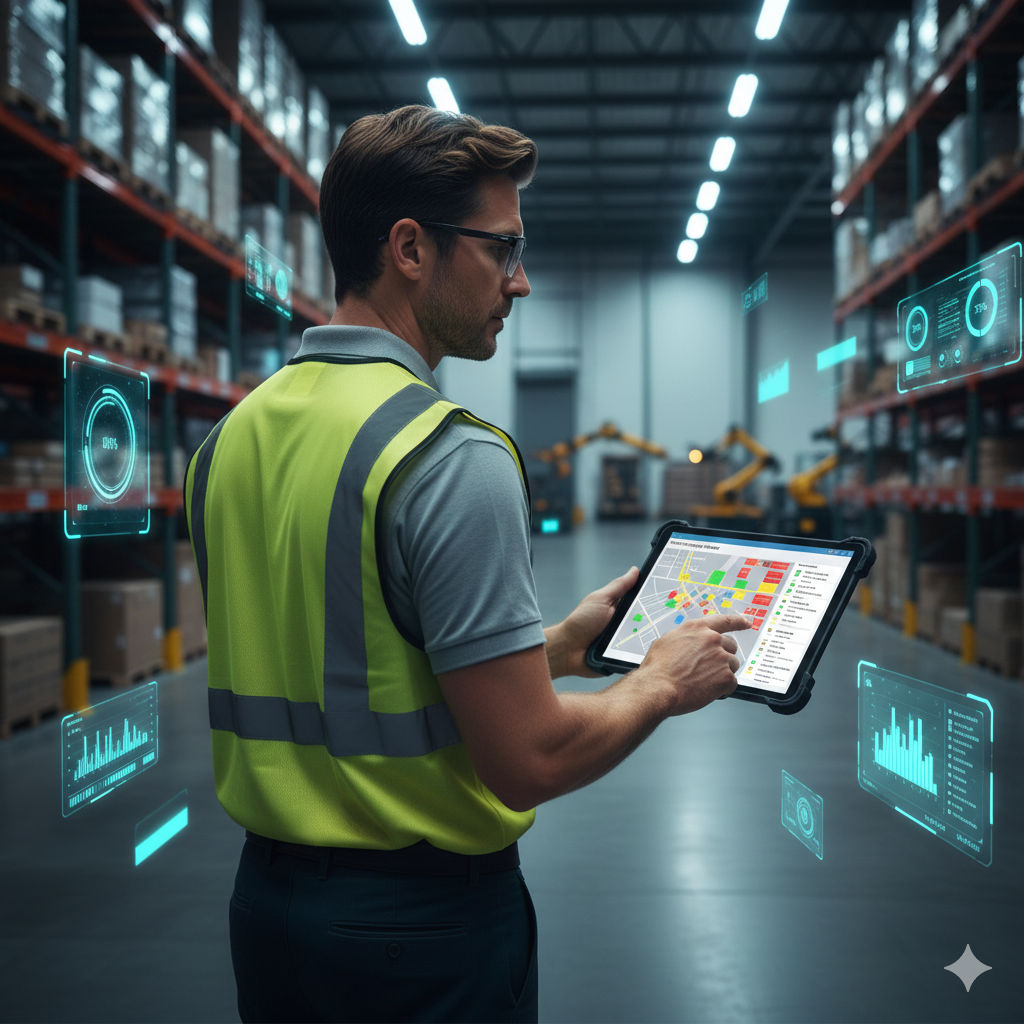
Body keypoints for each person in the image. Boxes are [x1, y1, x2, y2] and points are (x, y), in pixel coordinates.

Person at [184, 104, 749, 1024]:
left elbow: (347, 652)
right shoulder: (448, 454)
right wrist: (658, 683)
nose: (518, 283)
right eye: (501, 249)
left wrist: (558, 646)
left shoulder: (229, 441)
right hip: (420, 935)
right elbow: (528, 759)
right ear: (411, 248)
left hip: (270, 914)